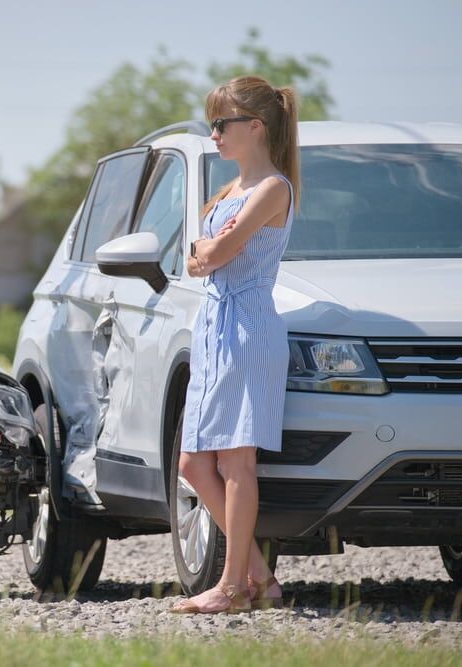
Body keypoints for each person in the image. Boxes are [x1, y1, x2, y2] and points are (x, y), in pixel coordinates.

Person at [170, 75, 300, 614]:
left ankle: (231, 587)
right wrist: (207, 251)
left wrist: (209, 250)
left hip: (247, 329)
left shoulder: (273, 187)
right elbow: (192, 259)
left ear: (255, 127)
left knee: (234, 463)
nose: (214, 134)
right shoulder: (228, 192)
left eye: (221, 124)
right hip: (214, 330)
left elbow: (214, 257)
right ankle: (258, 578)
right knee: (192, 465)